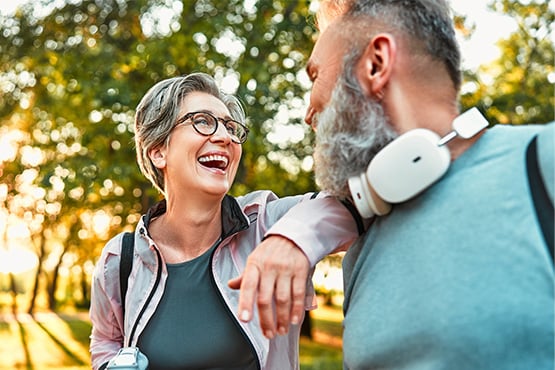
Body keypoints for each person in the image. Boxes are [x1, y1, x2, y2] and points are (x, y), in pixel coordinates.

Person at [237, 0, 554, 369]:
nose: (309, 111)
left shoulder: (540, 163)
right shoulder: (364, 240)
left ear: (376, 64)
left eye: (315, 75)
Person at [88, 72, 359, 370]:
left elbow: (354, 202)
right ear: (158, 151)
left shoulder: (267, 224)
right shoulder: (121, 260)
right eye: (202, 121)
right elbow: (105, 342)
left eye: (231, 127)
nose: (224, 137)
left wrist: (291, 241)